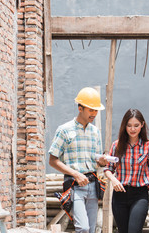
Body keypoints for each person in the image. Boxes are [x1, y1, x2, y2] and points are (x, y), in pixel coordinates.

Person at [48, 87, 108, 233]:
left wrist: (102, 161)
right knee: (83, 228)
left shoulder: (95, 132)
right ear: (80, 108)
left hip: (93, 186)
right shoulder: (64, 130)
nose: (94, 114)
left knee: (91, 229)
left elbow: (96, 160)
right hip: (75, 186)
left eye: (96, 110)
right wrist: (76, 174)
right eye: (91, 110)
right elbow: (52, 160)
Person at [104, 109, 149, 233]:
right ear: (124, 126)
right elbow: (108, 169)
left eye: (136, 125)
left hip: (139, 195)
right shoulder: (117, 145)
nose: (132, 129)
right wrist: (114, 180)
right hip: (119, 194)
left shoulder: (148, 146)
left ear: (142, 125)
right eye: (129, 125)